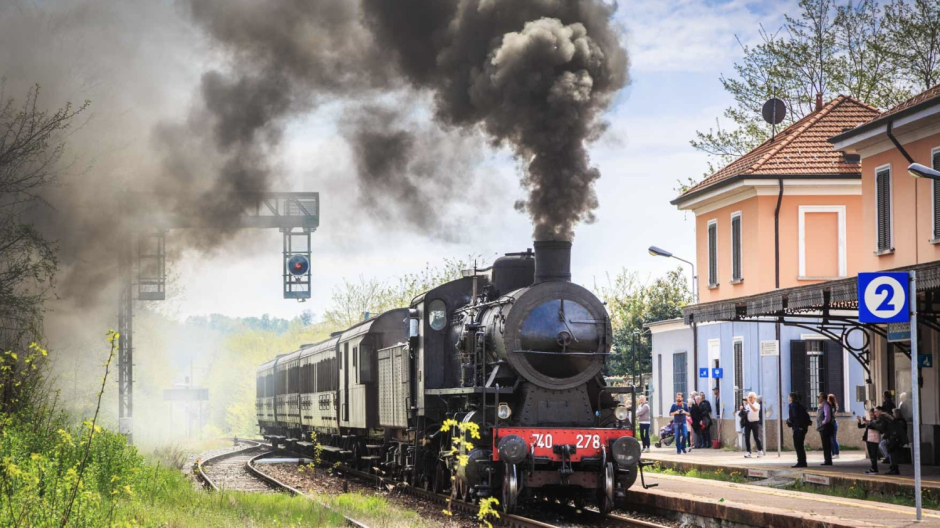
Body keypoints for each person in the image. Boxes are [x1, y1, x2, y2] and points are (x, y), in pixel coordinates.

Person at [857, 407, 886, 474]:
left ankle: (874, 468)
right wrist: (859, 420)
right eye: (870, 415)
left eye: (873, 414)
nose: (871, 416)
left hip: (874, 439)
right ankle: (873, 467)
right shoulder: (870, 422)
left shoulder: (876, 422)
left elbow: (873, 426)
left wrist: (867, 422)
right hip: (868, 439)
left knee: (873, 455)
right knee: (871, 454)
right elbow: (860, 426)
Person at [786, 392, 810, 468]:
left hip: (798, 428)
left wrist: (789, 421)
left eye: (788, 397)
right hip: (802, 428)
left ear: (791, 398)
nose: (788, 398)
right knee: (800, 445)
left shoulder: (793, 406)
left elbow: (794, 417)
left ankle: (801, 461)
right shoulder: (800, 406)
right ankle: (802, 461)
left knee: (798, 445)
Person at [741, 392, 763, 458]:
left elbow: (755, 409)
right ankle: (748, 451)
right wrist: (742, 409)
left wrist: (749, 403)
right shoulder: (747, 405)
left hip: (755, 422)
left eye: (751, 397)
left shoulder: (757, 405)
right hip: (748, 422)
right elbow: (745, 413)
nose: (749, 398)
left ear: (754, 398)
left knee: (756, 437)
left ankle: (760, 450)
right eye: (749, 397)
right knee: (747, 437)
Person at [886, 408, 908, 475]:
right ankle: (893, 467)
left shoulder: (901, 421)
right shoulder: (896, 421)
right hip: (895, 439)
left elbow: (898, 428)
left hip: (899, 439)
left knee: (892, 452)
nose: (893, 415)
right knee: (891, 451)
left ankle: (894, 467)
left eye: (893, 413)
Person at [816, 392, 834, 466]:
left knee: (826, 444)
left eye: (819, 397)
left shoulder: (825, 405)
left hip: (825, 427)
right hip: (822, 427)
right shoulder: (821, 405)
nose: (818, 398)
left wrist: (822, 423)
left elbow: (827, 417)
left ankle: (828, 460)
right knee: (825, 444)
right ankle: (827, 460)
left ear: (822, 397)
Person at [828, 394, 840, 459]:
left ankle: (836, 453)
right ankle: (834, 453)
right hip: (833, 424)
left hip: (833, 424)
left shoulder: (833, 407)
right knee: (832, 439)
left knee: (833, 439)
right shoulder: (833, 406)